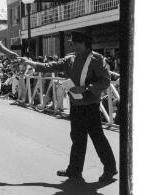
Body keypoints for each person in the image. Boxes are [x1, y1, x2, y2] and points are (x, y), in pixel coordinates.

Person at [20, 31, 118, 182]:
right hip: (76, 105)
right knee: (77, 138)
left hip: (91, 105)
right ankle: (74, 170)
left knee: (97, 138)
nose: (72, 45)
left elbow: (105, 82)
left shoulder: (97, 59)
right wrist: (30, 62)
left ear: (84, 43)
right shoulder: (70, 59)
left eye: (75, 43)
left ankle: (110, 169)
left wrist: (86, 88)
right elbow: (49, 66)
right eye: (72, 43)